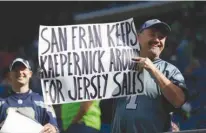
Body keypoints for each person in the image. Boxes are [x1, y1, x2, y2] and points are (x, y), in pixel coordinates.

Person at [111, 19, 188, 133]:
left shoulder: (170, 70)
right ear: (138, 38)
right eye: (152, 34)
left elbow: (179, 100)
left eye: (161, 37)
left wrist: (152, 69)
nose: (157, 40)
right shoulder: (120, 67)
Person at [0, 57, 59, 133]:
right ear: (10, 75)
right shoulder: (2, 102)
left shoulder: (43, 102)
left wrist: (53, 129)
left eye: (23, 69)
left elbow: (54, 128)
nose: (20, 72)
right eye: (16, 70)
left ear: (30, 74)